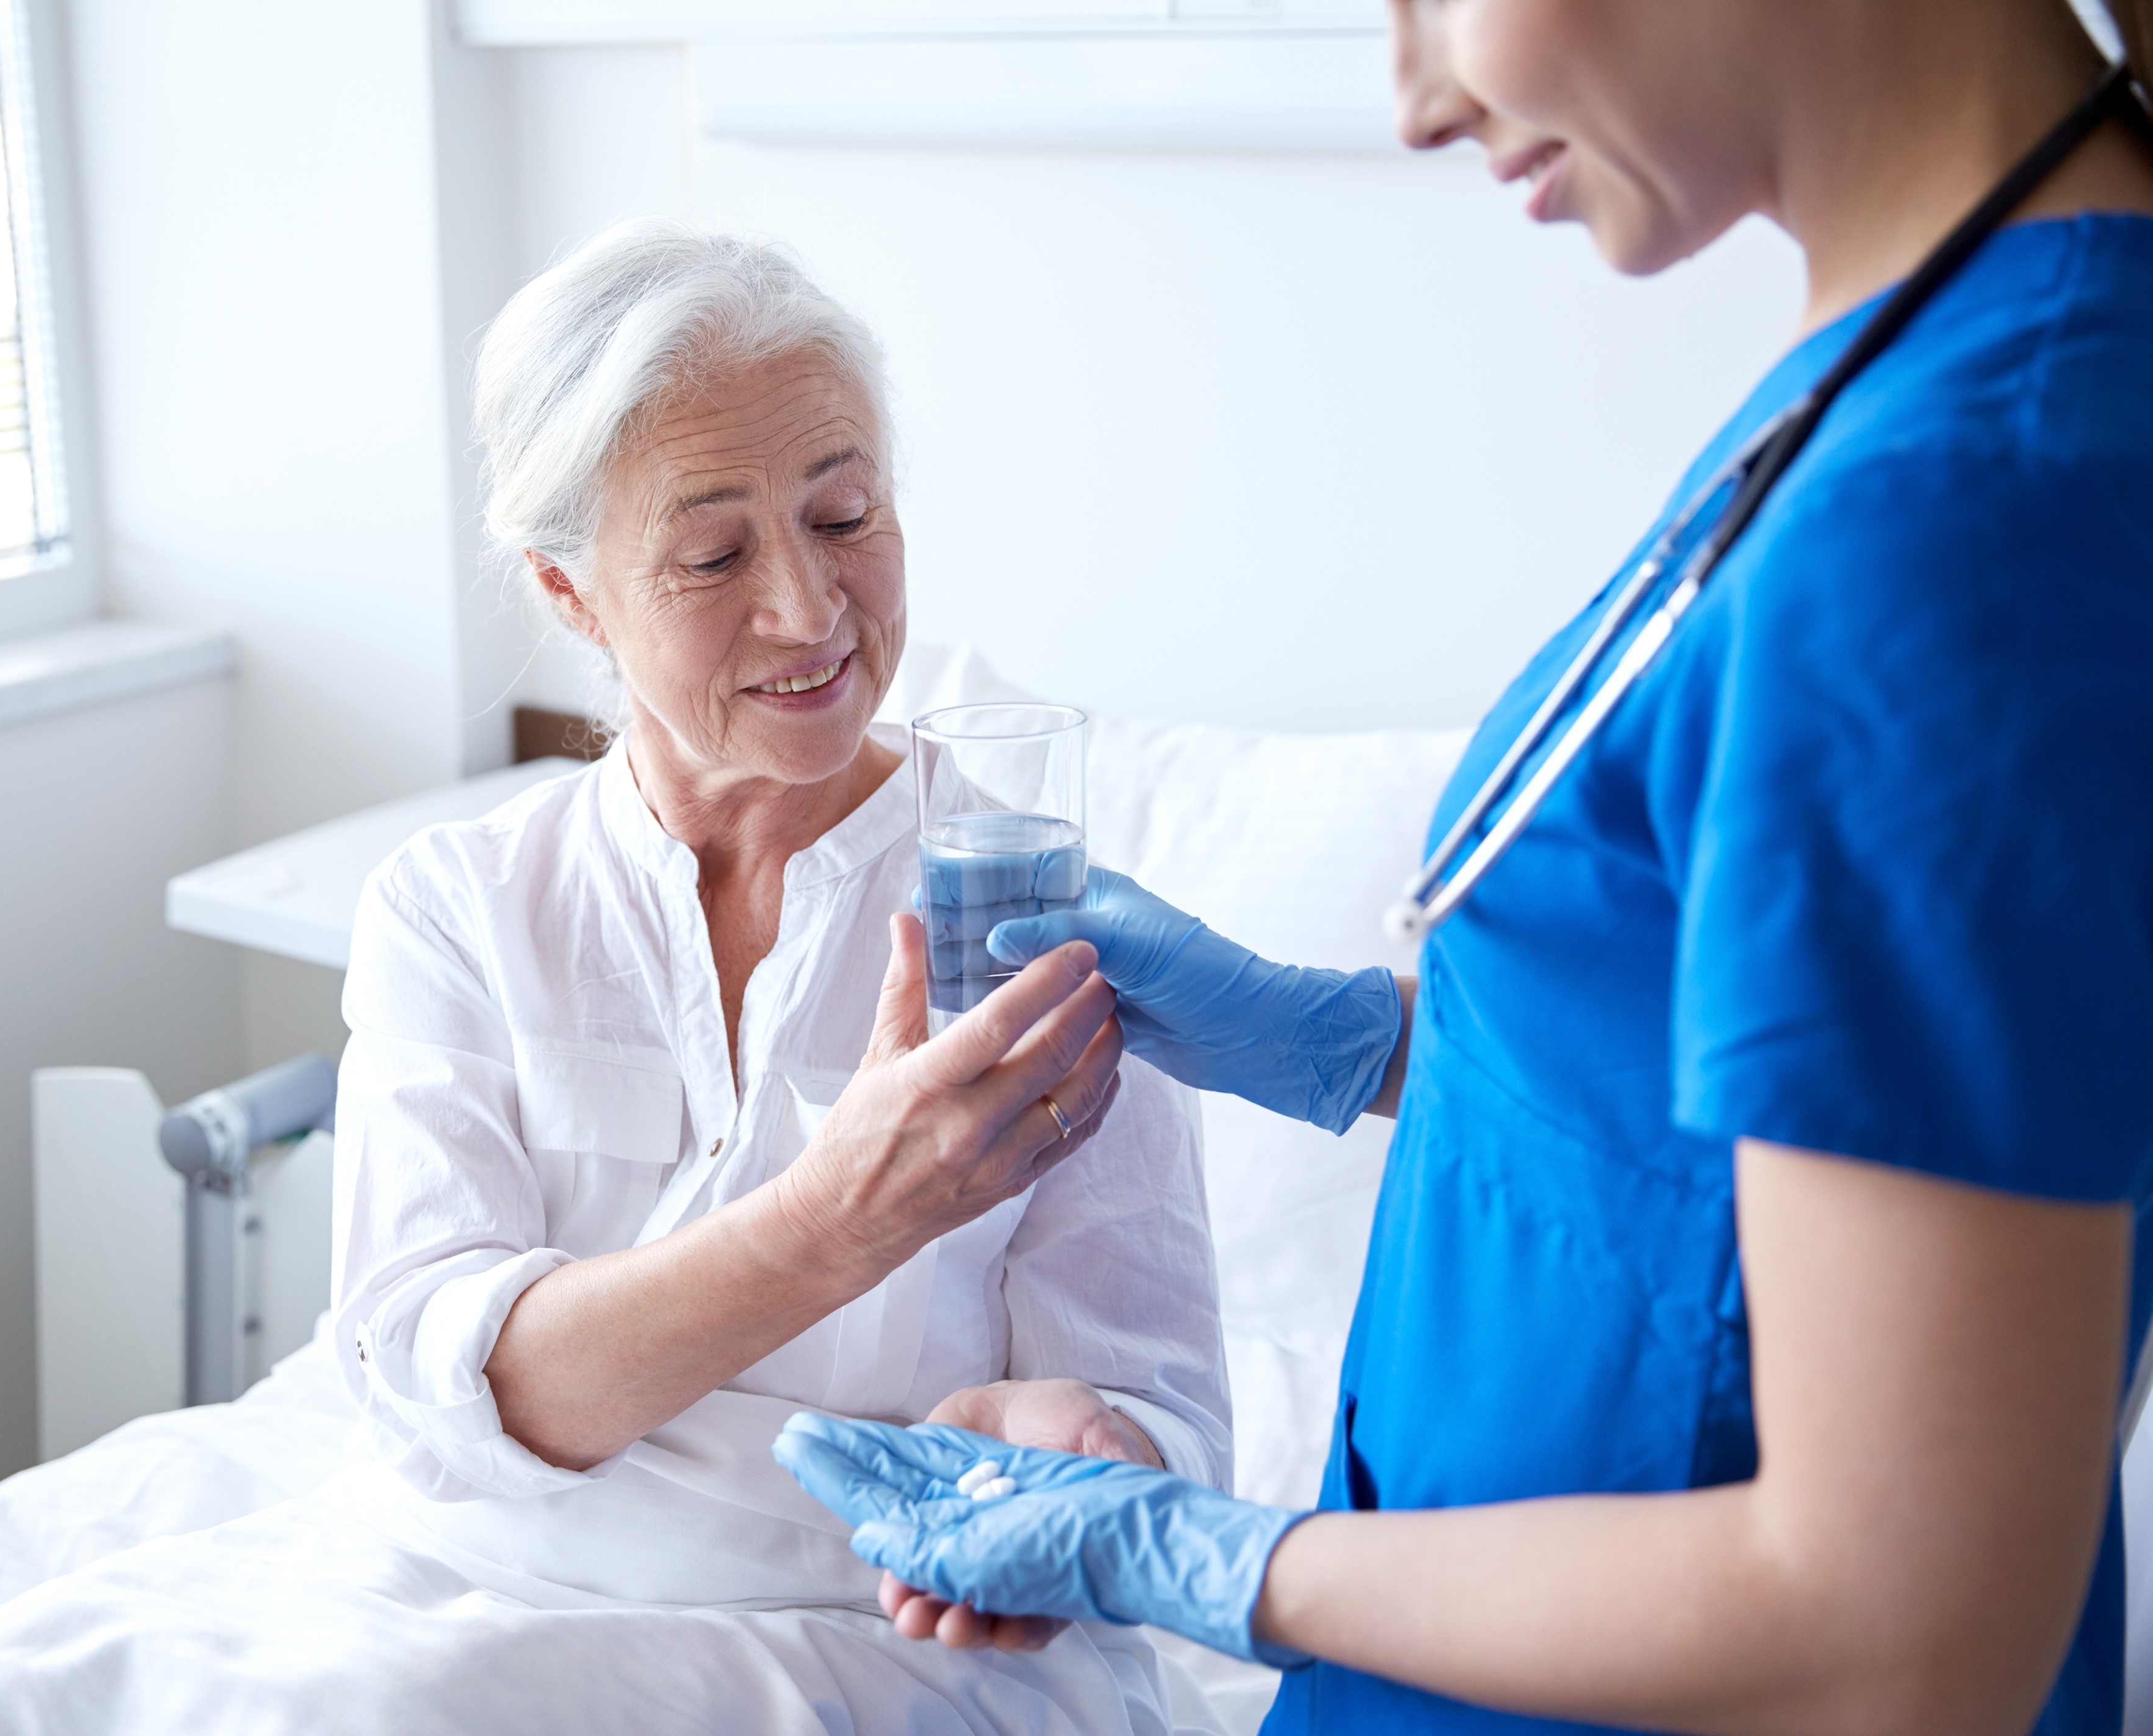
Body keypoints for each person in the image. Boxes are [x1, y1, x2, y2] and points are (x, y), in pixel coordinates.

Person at [773, 2, 2153, 1732]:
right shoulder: (1947, 349)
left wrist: (1196, 1556)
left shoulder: (1953, 517)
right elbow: (1792, 1080)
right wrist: (1345, 1037)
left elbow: (1907, 1631)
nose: (1419, 99)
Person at [0, 225, 1232, 1736]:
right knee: (3, 1685)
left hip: (877, 1617)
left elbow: (1157, 1426)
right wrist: (844, 1215)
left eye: (848, 514)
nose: (812, 611)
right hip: (460, 1562)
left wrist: (1078, 1450)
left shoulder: (1035, 912)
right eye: (713, 554)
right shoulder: (460, 910)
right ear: (570, 590)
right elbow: (428, 1381)